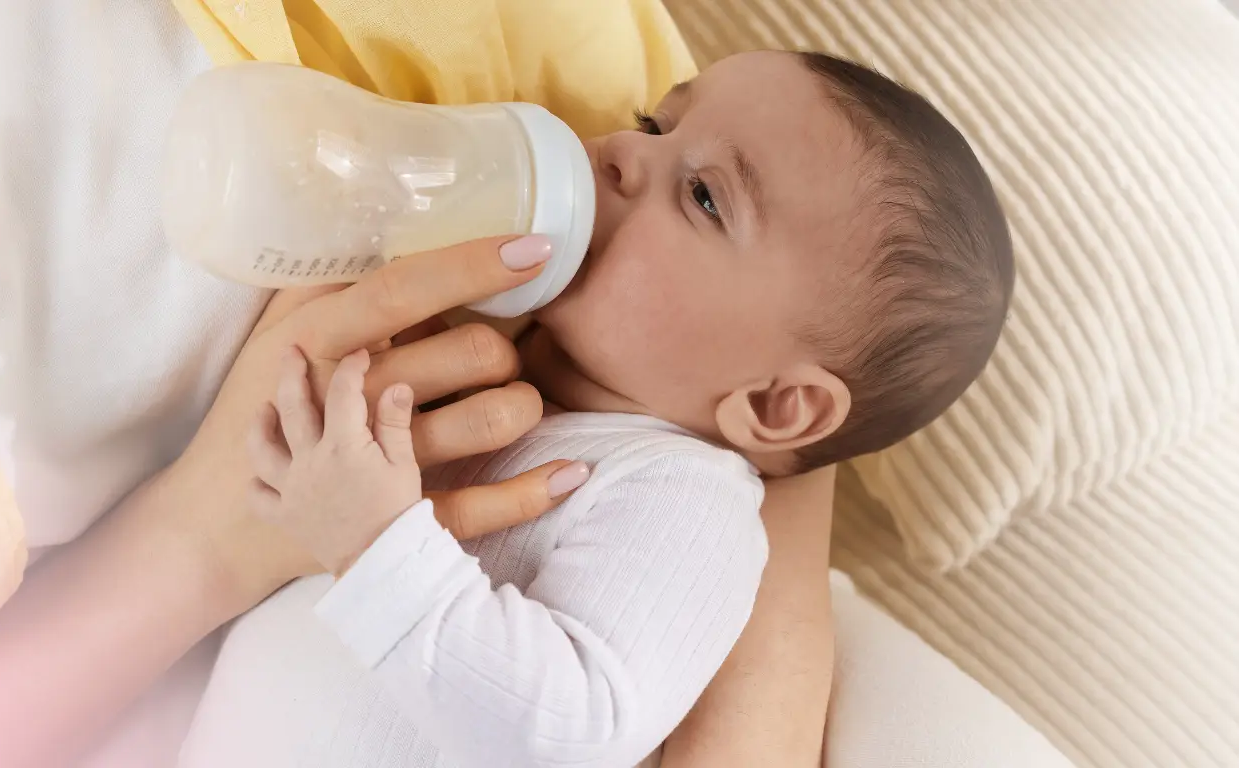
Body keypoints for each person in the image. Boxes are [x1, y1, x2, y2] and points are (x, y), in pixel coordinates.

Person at [177, 49, 1012, 767]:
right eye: (655, 124)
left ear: (777, 405)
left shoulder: (688, 504)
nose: (616, 154)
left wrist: (370, 541)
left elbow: (565, 735)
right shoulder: (492, 390)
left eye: (706, 197)